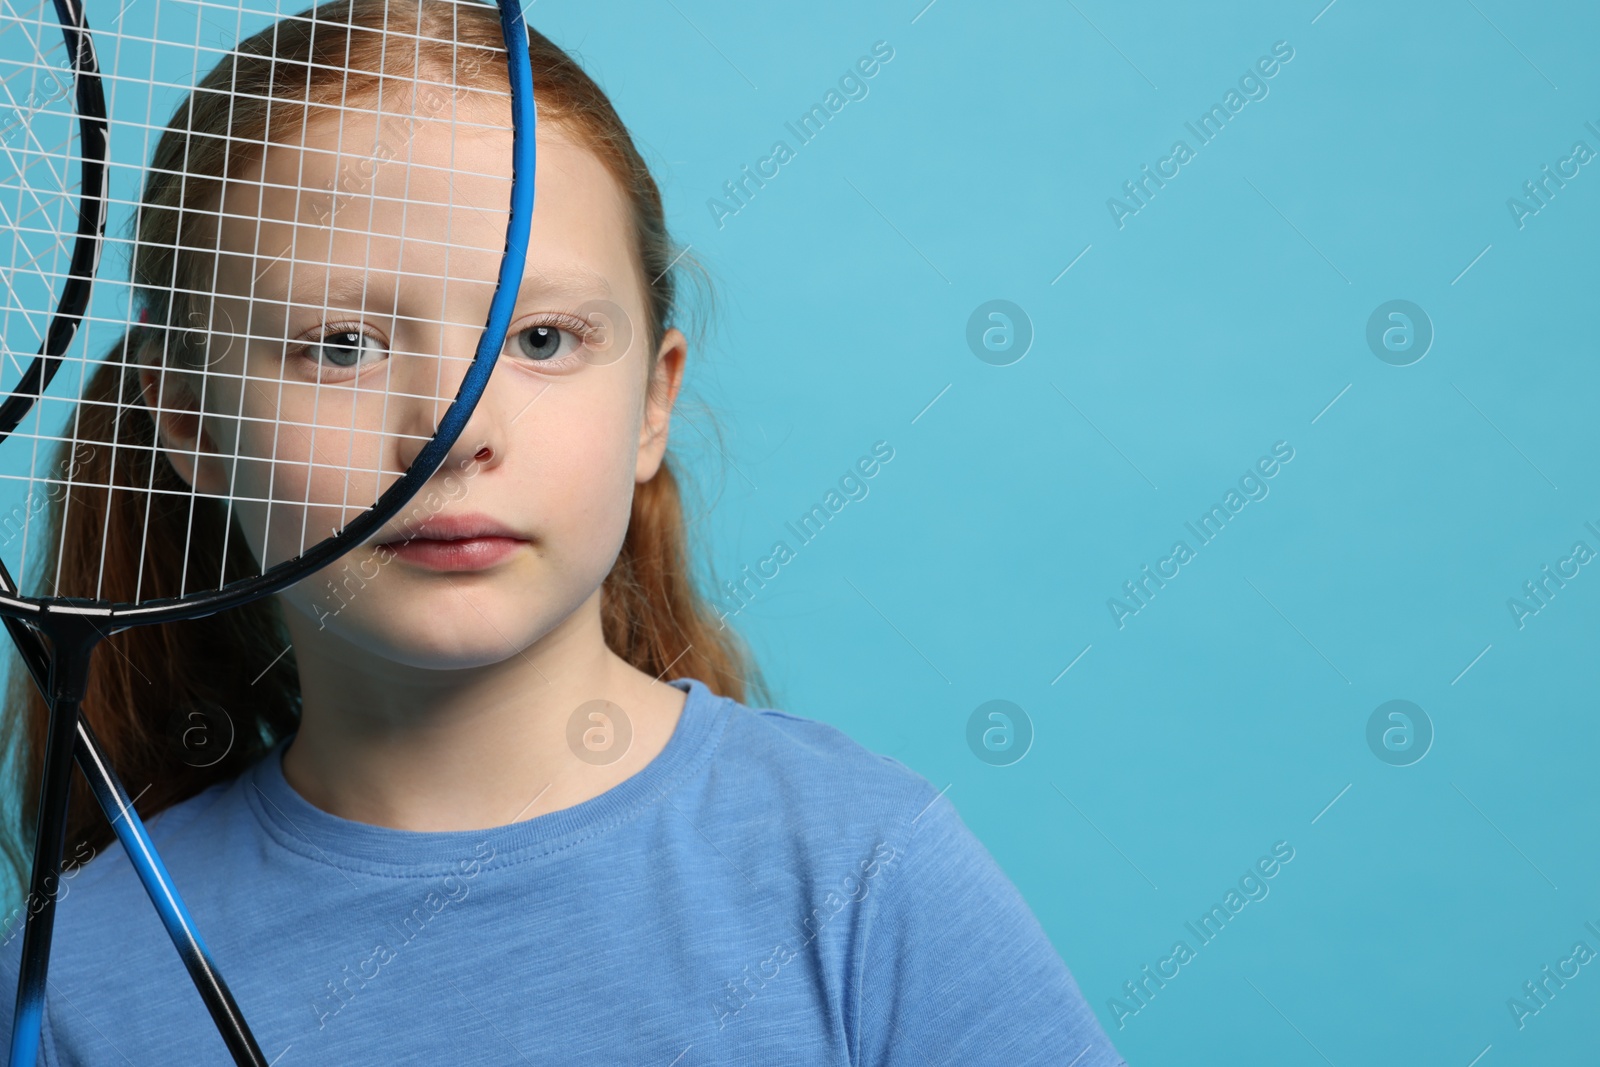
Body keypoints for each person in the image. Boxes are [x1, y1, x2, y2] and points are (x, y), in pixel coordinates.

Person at [0, 0, 1125, 1062]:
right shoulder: (75, 985)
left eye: (540, 339)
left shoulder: (861, 871)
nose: (452, 433)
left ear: (653, 402)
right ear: (190, 425)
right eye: (340, 344)